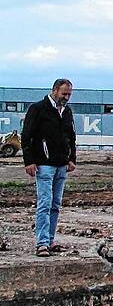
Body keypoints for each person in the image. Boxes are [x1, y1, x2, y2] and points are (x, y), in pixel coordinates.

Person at [21, 79, 76, 257]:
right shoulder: (38, 109)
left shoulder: (67, 112)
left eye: (69, 94)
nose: (66, 97)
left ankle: (50, 241)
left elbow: (71, 137)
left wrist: (72, 158)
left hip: (62, 166)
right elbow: (26, 136)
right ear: (54, 91)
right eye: (63, 94)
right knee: (44, 204)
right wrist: (29, 161)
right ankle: (42, 243)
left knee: (55, 205)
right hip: (44, 166)